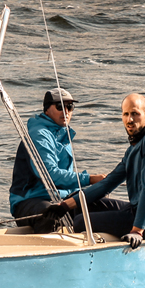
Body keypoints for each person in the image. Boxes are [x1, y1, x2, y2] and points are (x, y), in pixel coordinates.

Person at [49, 93, 145, 249]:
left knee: (80, 221)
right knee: (80, 206)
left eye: (135, 114)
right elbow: (108, 183)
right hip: (137, 209)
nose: (129, 120)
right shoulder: (134, 147)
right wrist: (64, 205)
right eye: (126, 114)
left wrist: (137, 231)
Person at [9, 87, 108, 231]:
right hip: (30, 200)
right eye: (60, 106)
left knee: (99, 203)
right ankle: (48, 250)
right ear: (47, 110)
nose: (66, 111)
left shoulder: (62, 133)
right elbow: (50, 175)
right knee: (49, 214)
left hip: (60, 198)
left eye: (70, 106)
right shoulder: (39, 135)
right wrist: (90, 179)